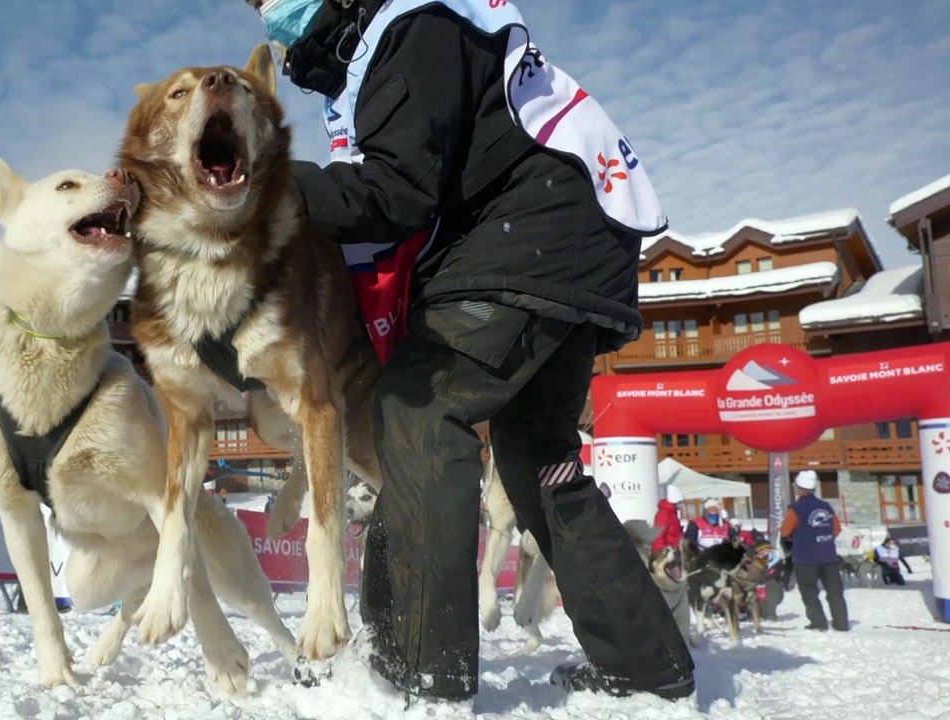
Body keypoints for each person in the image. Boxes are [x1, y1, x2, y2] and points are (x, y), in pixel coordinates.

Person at [243, 0, 694, 703]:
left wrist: (271, 185)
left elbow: (397, 191)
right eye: (257, 4)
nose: (272, 12)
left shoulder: (412, 26)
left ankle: (422, 669)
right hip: (580, 239)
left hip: (529, 236)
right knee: (537, 455)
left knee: (419, 414)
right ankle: (647, 663)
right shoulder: (402, 38)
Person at [779, 470, 849, 631]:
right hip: (829, 556)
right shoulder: (825, 506)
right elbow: (836, 529)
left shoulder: (796, 509)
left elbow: (784, 531)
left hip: (806, 558)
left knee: (809, 591)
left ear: (800, 488)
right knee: (834, 592)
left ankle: (819, 623)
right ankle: (841, 624)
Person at [652, 484, 685, 554]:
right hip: (664, 551)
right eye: (680, 502)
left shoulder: (673, 513)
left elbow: (674, 532)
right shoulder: (664, 514)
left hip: (674, 549)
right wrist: (663, 551)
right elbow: (658, 535)